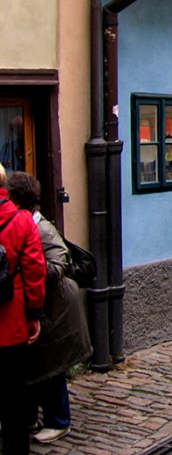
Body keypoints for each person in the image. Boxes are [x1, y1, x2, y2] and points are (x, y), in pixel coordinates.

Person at [6, 173, 91, 446]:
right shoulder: (23, 223)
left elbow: (59, 265)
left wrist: (25, 270)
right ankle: (30, 417)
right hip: (41, 305)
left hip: (58, 308)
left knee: (53, 366)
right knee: (34, 366)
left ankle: (58, 420)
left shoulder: (41, 228)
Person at [0, 163, 46, 455]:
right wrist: (35, 315)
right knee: (13, 397)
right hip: (10, 321)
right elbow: (34, 272)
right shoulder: (21, 221)